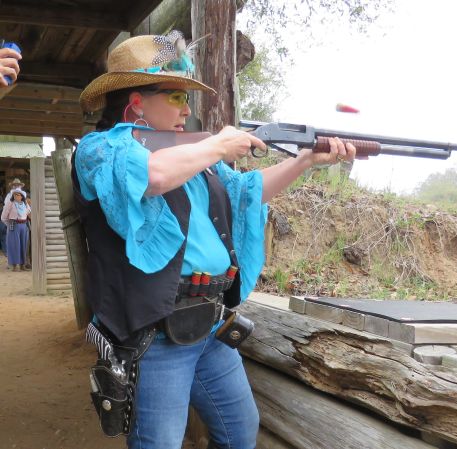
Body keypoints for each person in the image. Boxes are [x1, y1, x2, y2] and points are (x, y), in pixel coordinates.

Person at [75, 31, 357, 449]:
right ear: (137, 101)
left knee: (239, 431)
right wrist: (217, 144)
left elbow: (246, 192)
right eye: (176, 96)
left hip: (210, 323)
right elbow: (153, 176)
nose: (187, 109)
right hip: (155, 334)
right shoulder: (99, 149)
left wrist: (304, 161)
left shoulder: (194, 158)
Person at [1, 188, 31, 271]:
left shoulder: (25, 204)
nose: (15, 196)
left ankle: (22, 265)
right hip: (14, 225)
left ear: (22, 196)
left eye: (17, 194)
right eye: (14, 194)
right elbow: (3, 217)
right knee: (14, 245)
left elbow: (28, 211)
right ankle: (15, 265)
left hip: (24, 225)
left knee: (23, 245)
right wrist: (10, 224)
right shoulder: (10, 203)